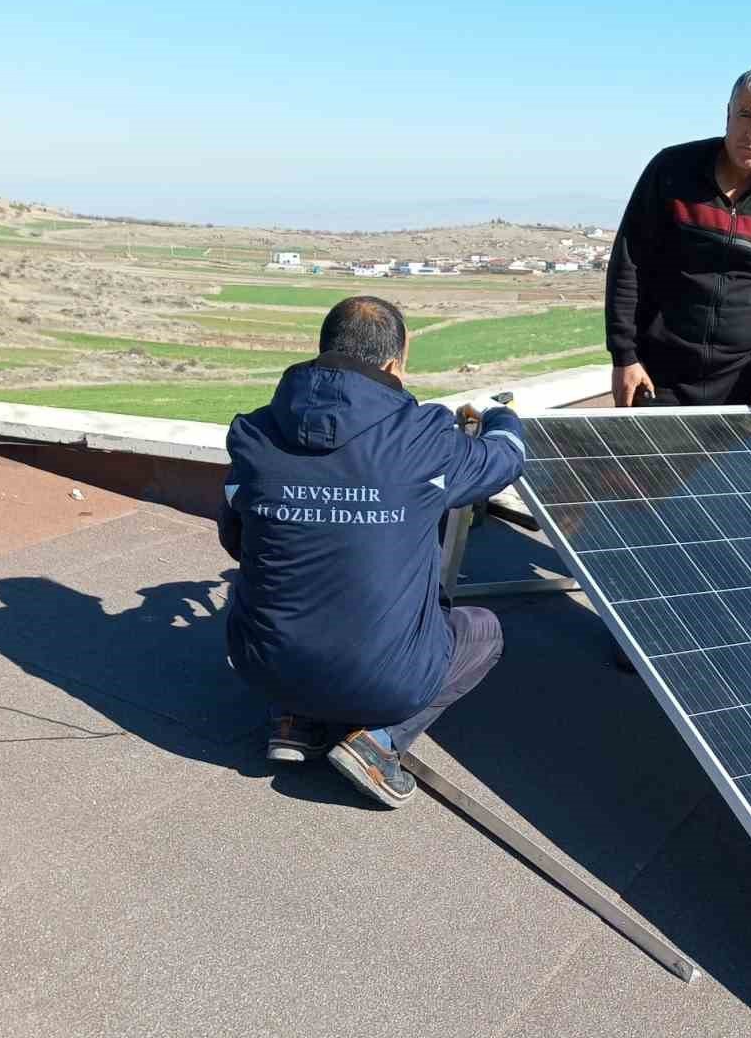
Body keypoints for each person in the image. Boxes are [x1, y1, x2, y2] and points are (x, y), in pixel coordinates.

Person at [217, 295, 525, 808]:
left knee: (275, 597)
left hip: (260, 667)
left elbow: (237, 542)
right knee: (481, 632)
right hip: (386, 685)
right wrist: (499, 415)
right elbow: (505, 460)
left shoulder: (253, 434)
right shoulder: (425, 440)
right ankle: (380, 744)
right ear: (393, 364)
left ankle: (294, 722)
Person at [605, 65, 751, 427]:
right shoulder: (671, 170)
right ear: (727, 114)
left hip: (742, 383)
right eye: (744, 115)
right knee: (644, 481)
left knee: (722, 484)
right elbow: (628, 265)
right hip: (656, 375)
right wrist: (624, 356)